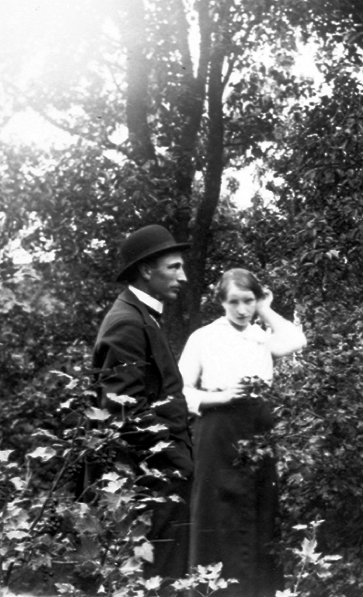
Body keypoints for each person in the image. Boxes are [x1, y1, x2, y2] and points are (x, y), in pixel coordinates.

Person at [179, 268, 307, 597]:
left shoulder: (261, 337)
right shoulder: (204, 337)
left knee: (259, 511)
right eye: (234, 301)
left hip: (259, 431)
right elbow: (179, 392)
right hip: (217, 430)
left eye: (248, 301)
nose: (241, 309)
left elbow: (297, 341)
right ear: (221, 302)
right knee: (216, 513)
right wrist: (222, 396)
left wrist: (265, 308)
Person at [92, 224, 194, 587]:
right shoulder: (127, 323)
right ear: (147, 270)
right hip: (148, 484)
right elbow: (122, 413)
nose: (183, 276)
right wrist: (178, 462)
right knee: (154, 581)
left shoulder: (142, 316)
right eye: (174, 267)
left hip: (158, 481)